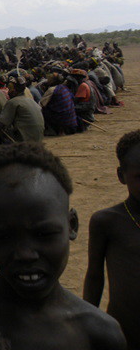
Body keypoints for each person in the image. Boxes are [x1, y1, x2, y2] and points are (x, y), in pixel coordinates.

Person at [0, 142, 126, 350]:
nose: (25, 255)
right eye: (2, 236)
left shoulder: (99, 334)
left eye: (44, 234)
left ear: (72, 225)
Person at [83, 130, 140, 349]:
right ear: (121, 176)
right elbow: (95, 277)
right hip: (125, 331)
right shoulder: (107, 222)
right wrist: (87, 323)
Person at [0, 77, 44, 143]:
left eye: (10, 89)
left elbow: (0, 124)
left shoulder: (13, 102)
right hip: (39, 139)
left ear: (14, 90)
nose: (8, 92)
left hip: (25, 141)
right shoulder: (30, 100)